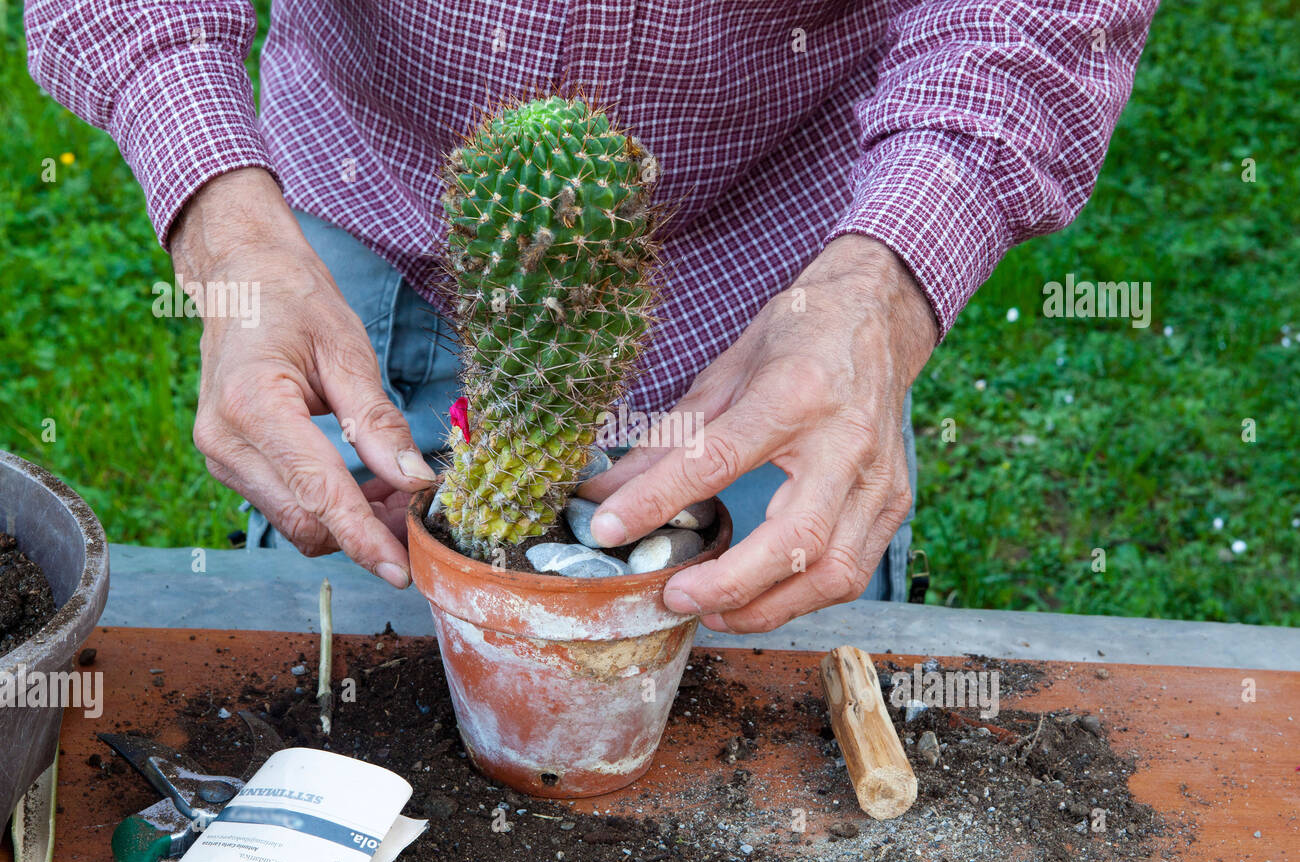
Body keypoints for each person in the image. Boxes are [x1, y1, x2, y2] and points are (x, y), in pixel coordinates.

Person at [26, 1, 1157, 633]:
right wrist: (225, 223)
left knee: (766, 666)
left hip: (779, 287)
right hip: (351, 225)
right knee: (325, 668)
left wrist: (884, 290)